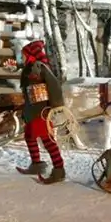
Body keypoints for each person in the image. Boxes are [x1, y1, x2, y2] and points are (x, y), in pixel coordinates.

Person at [14, 40, 67, 184]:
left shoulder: (39, 67)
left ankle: (59, 170)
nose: (22, 57)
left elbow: (54, 86)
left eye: (23, 54)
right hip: (33, 110)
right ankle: (36, 165)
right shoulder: (31, 67)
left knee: (47, 140)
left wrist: (56, 105)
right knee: (30, 136)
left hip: (40, 110)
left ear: (30, 54)